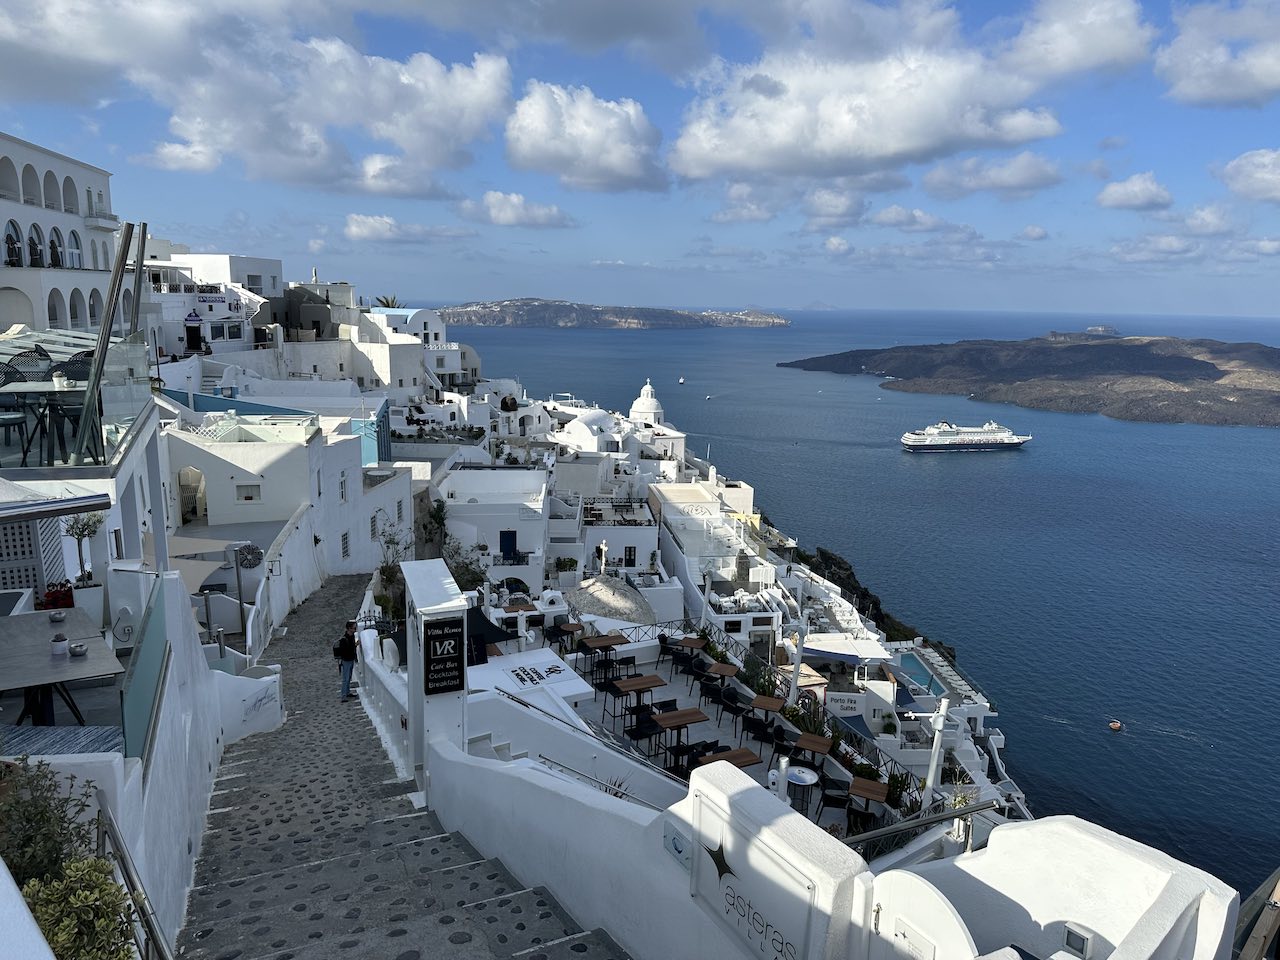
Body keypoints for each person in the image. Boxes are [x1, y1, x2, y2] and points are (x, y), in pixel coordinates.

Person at [335, 620, 359, 701]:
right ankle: (343, 695)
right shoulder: (344, 639)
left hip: (351, 659)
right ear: (349, 628)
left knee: (348, 677)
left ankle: (347, 692)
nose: (355, 629)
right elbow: (345, 651)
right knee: (345, 678)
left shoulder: (352, 636)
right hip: (346, 660)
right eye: (354, 628)